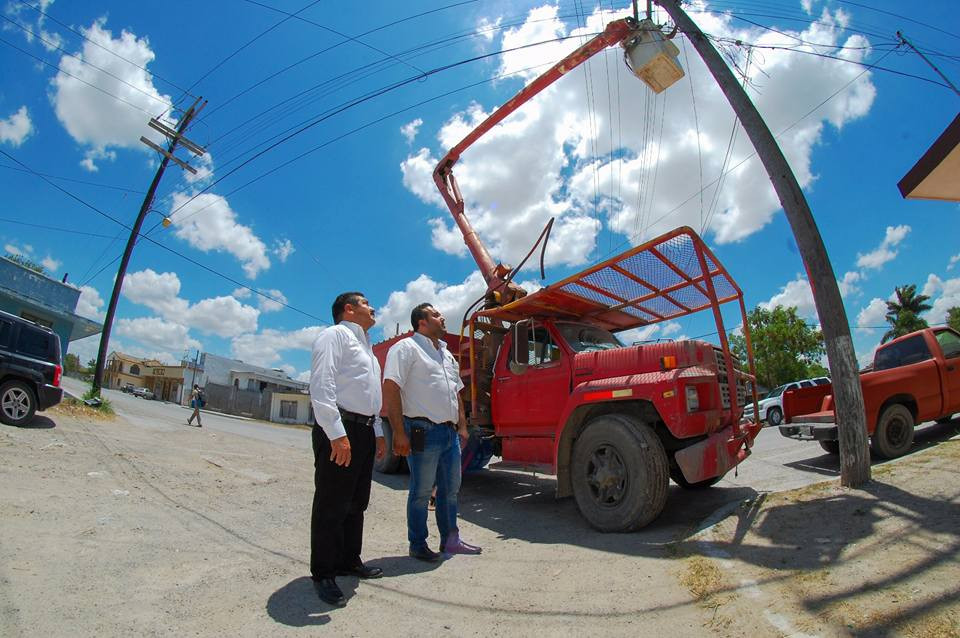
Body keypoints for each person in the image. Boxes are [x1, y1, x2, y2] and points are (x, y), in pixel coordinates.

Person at [383, 303, 482, 562]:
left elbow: (456, 393)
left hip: (449, 435)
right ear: (422, 322)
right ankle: (418, 544)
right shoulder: (406, 348)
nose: (443, 317)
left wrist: (461, 426)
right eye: (436, 315)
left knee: (449, 490)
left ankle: (451, 540)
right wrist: (398, 433)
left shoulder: (446, 354)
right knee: (422, 491)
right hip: (421, 431)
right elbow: (391, 387)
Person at [309, 292, 387, 607]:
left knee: (356, 503)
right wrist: (336, 433)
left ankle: (348, 560)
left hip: (365, 430)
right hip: (341, 428)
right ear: (349, 309)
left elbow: (373, 396)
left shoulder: (367, 348)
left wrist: (378, 432)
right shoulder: (335, 336)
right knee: (332, 503)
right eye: (366, 302)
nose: (373, 306)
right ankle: (324, 573)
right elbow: (322, 384)